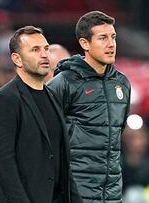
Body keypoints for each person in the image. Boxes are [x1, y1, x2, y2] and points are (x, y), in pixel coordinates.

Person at [0, 25, 82, 203]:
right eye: (35, 50)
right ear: (17, 59)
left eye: (45, 48)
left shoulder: (53, 97)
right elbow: (5, 165)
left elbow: (62, 164)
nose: (44, 55)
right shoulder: (4, 100)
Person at [47, 11, 131, 203]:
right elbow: (45, 135)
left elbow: (118, 131)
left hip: (112, 193)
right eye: (102, 38)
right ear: (85, 44)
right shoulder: (64, 82)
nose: (111, 44)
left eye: (113, 37)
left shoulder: (122, 83)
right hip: (75, 191)